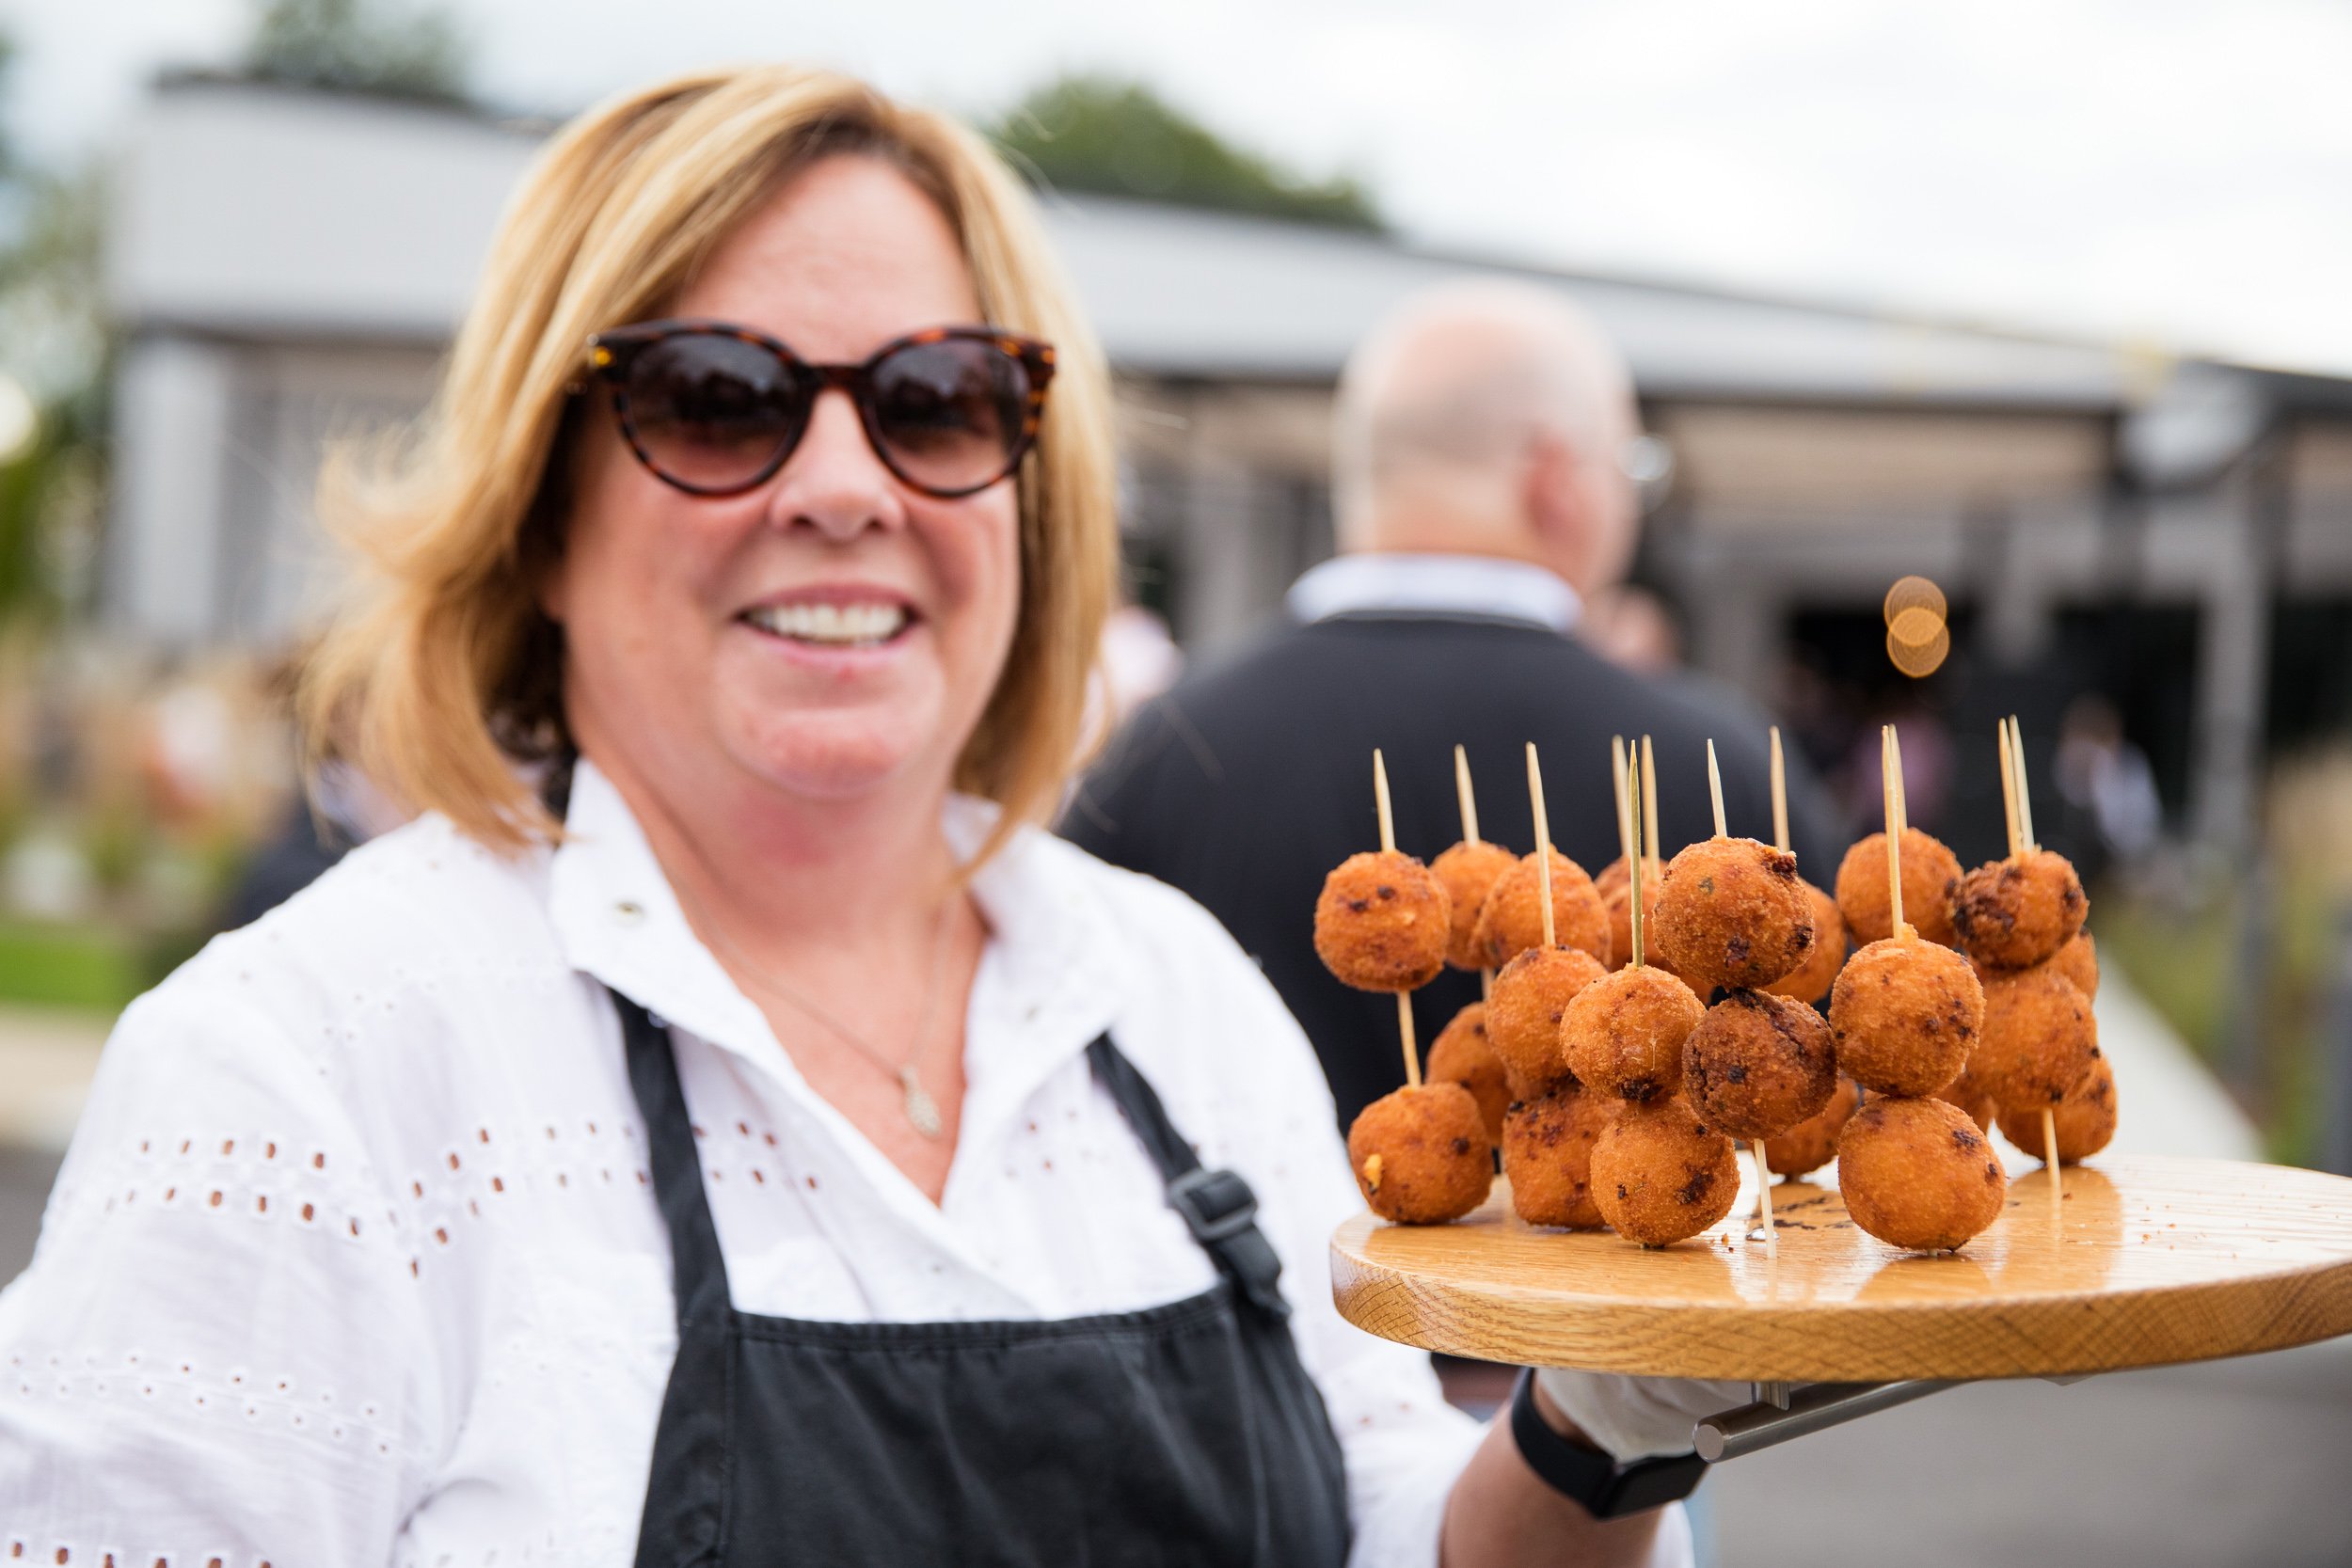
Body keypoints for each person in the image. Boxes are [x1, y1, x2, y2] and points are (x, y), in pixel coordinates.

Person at [0, 67, 1730, 1565]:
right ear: (539, 505)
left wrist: (1602, 1418)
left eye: (936, 400)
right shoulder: (302, 1075)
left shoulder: (1170, 992)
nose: (845, 487)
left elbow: (1388, 1524)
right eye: (714, 398)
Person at [1065, 279, 1846, 1132]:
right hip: (1633, 1259)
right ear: (1558, 482)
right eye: (1632, 471)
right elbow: (1826, 1076)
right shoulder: (1726, 767)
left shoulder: (1151, 752)